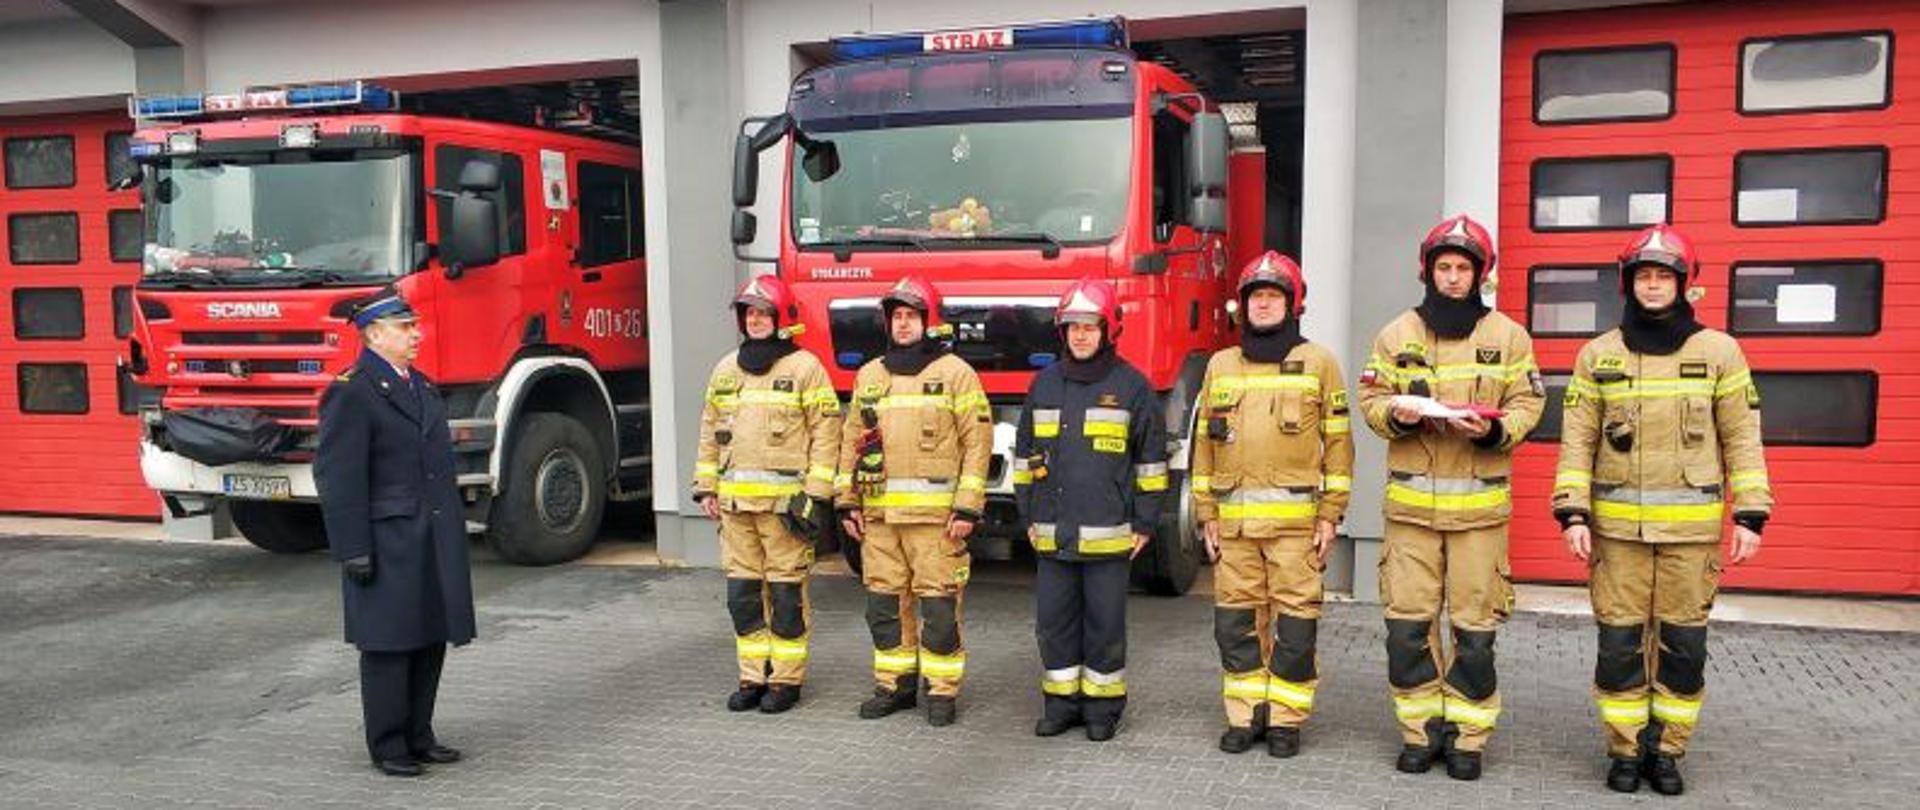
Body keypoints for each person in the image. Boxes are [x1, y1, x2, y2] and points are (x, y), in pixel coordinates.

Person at [1553, 224, 1772, 796]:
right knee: (1620, 647)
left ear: (1684, 284)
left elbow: (1742, 438)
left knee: (1682, 649)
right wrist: (1573, 512)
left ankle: (1667, 753)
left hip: (1691, 537)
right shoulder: (1598, 355)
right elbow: (1577, 441)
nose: (1653, 287)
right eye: (1643, 276)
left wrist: (1750, 515)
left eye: (1664, 277)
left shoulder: (1720, 352)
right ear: (1628, 284)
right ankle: (1625, 751)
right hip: (1617, 535)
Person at [1357, 215, 1544, 780]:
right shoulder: (1396, 335)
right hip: (1411, 516)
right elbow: (1370, 400)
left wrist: (1492, 431)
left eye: (1464, 268)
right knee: (1408, 629)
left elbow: (1529, 405)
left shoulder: (1509, 337)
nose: (1454, 278)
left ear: (1480, 275)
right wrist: (1398, 414)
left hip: (1480, 518)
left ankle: (1467, 738)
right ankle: (1419, 733)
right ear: (1428, 271)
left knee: (1474, 633)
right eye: (1445, 267)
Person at [1190, 252, 1353, 759]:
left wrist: (1331, 513)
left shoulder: (1320, 363)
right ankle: (1246, 716)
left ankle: (1285, 719)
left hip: (1295, 531)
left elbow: (1340, 447)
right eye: (1255, 296)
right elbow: (1204, 447)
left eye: (1273, 296)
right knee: (1236, 626)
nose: (1262, 304)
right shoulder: (1220, 364)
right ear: (1242, 306)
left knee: (1296, 628)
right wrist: (1205, 513)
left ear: (1293, 303)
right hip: (1234, 529)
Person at [315, 288, 476, 778]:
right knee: (389, 644)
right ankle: (387, 744)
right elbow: (338, 477)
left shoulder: (420, 386)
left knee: (429, 635)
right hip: (386, 540)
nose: (416, 335)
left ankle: (419, 734)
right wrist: (352, 549)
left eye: (414, 326)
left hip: (430, 534)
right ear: (374, 334)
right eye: (405, 328)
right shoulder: (352, 391)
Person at [1012, 277, 1167, 742]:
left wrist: (1145, 522)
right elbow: (1024, 460)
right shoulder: (1044, 384)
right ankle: (1061, 705)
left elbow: (1151, 462)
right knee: (1054, 625)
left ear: (1108, 330)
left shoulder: (1132, 387)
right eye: (1072, 327)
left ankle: (1102, 708)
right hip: (1053, 534)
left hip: (1109, 533)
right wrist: (1029, 518)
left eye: (1089, 326)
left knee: (1104, 627)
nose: (1080, 335)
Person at [835, 275, 991, 727]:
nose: (903, 325)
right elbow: (851, 441)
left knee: (939, 608)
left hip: (936, 522)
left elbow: (976, 445)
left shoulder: (955, 374)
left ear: (929, 321)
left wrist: (967, 508)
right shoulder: (870, 375)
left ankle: (941, 692)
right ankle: (895, 685)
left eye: (911, 316)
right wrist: (847, 503)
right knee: (883, 606)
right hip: (880, 520)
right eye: (896, 317)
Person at [691, 275, 842, 715]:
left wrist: (815, 495)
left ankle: (786, 680)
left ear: (780, 318)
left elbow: (826, 433)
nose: (755, 321)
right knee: (742, 597)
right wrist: (705, 488)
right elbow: (709, 433)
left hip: (784, 512)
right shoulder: (725, 369)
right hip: (735, 510)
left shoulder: (804, 369)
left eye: (763, 313)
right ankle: (752, 676)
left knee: (786, 597)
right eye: (749, 314)